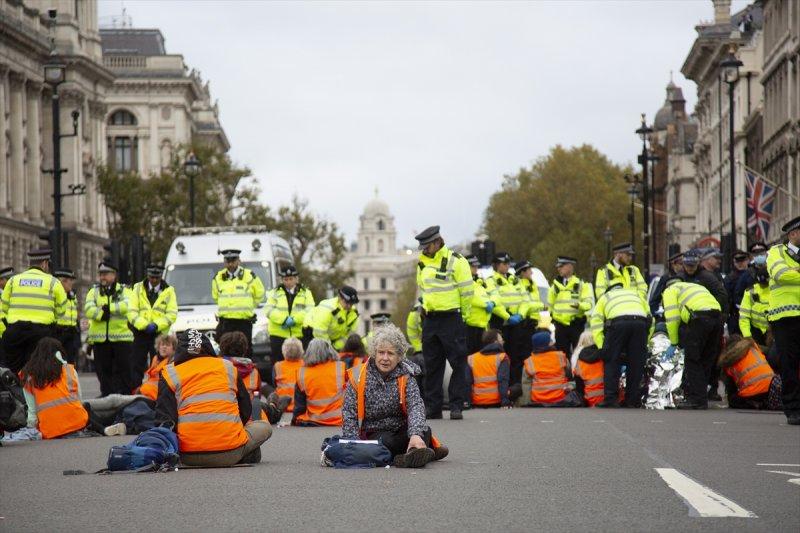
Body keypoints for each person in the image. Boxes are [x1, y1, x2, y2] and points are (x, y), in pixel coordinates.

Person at [156, 329, 272, 466]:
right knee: (264, 427)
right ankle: (246, 451)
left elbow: (164, 419)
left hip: (186, 456)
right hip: (230, 452)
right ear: (208, 347)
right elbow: (245, 410)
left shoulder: (169, 372)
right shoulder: (227, 367)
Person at [342, 324, 448, 468]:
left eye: (390, 354)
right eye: (381, 352)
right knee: (387, 442)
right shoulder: (358, 377)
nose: (385, 358)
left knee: (423, 429)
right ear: (374, 353)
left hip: (400, 429)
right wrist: (352, 443)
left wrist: (415, 433)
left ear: (399, 356)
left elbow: (415, 406)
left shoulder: (406, 376)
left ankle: (413, 450)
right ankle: (419, 451)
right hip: (374, 433)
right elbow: (349, 412)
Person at [414, 225, 472, 420]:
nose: (423, 249)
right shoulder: (422, 263)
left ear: (437, 242)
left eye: (426, 246)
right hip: (430, 320)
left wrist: (464, 317)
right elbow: (423, 290)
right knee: (432, 366)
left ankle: (456, 406)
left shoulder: (457, 261)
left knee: (458, 363)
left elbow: (467, 292)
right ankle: (433, 408)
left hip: (451, 318)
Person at [19, 337, 108, 439]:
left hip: (50, 430)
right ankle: (106, 427)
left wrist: (31, 429)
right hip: (77, 423)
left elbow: (32, 413)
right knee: (90, 408)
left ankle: (106, 427)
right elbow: (79, 400)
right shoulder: (69, 370)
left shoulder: (28, 376)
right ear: (59, 353)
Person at [0, 249, 67, 374]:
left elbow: (4, 307)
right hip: (41, 334)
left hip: (15, 331)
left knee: (12, 371)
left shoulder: (13, 281)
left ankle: (15, 393)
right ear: (44, 264)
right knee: (38, 371)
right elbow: (62, 309)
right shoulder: (53, 282)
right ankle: (32, 393)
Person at [662, 278, 722, 409]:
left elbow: (672, 318)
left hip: (699, 318)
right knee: (706, 359)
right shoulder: (694, 286)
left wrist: (674, 342)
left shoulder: (670, 291)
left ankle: (696, 400)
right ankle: (701, 397)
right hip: (717, 317)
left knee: (693, 359)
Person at [590, 281, 649, 408]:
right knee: (636, 363)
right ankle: (632, 400)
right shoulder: (635, 294)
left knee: (611, 360)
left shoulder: (605, 297)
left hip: (618, 323)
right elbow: (650, 318)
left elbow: (596, 322)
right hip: (640, 323)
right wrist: (646, 340)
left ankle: (611, 399)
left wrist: (602, 347)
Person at [680, 249, 728, 401]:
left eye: (693, 265)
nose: (690, 268)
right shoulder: (680, 278)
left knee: (705, 358)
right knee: (698, 358)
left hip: (708, 320)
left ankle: (702, 392)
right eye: (688, 265)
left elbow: (722, 295)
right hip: (693, 323)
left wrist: (719, 316)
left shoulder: (707, 277)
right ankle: (697, 391)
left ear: (698, 263)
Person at [766, 215, 800, 425]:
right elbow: (780, 274)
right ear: (793, 234)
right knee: (789, 363)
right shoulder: (776, 252)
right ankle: (793, 408)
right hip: (785, 316)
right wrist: (791, 271)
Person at [85, 259, 134, 396]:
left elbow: (127, 305)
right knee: (103, 372)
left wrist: (109, 308)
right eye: (101, 274)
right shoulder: (93, 292)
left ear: (114, 275)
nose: (102, 277)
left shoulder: (125, 290)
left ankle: (124, 398)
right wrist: (101, 315)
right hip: (100, 340)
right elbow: (88, 309)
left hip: (121, 339)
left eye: (106, 274)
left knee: (123, 372)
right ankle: (106, 397)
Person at [219, 331, 287, 423]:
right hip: (249, 413)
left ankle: (273, 402)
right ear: (245, 349)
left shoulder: (217, 368)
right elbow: (256, 397)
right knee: (267, 408)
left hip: (223, 410)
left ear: (222, 348)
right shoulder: (253, 371)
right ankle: (274, 404)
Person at [128, 263, 177, 387]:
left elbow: (172, 314)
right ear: (148, 276)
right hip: (140, 333)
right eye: (152, 277)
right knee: (137, 363)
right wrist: (144, 325)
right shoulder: (138, 288)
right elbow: (132, 312)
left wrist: (156, 325)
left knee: (159, 363)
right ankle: (136, 389)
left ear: (161, 276)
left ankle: (158, 389)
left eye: (157, 278)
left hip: (159, 334)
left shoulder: (169, 291)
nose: (154, 280)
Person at [212, 249, 266, 357]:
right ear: (224, 262)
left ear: (239, 261)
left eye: (233, 260)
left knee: (245, 351)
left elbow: (260, 294)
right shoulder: (218, 277)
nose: (231, 263)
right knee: (225, 350)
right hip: (226, 322)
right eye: (228, 261)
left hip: (243, 322)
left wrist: (249, 306)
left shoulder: (249, 276)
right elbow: (216, 297)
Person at [292, 338, 347, 426]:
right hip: (340, 419)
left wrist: (294, 420)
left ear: (308, 353)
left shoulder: (302, 373)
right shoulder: (341, 367)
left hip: (314, 420)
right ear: (330, 351)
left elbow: (300, 406)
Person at [264, 264, 315, 361]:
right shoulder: (274, 293)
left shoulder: (306, 293)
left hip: (298, 335)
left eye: (291, 279)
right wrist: (284, 320)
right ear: (281, 280)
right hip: (278, 336)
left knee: (299, 363)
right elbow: (268, 310)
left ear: (296, 279)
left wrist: (294, 320)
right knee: (278, 364)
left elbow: (310, 310)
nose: (288, 282)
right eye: (285, 279)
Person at [718, 337, 782, 410]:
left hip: (752, 393)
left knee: (733, 400)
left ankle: (754, 403)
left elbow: (731, 388)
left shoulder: (729, 359)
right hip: (771, 388)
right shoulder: (754, 348)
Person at [520, 331, 580, 407]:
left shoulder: (529, 361)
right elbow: (568, 374)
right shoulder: (561, 357)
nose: (553, 342)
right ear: (547, 344)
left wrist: (527, 403)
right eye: (551, 340)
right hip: (561, 398)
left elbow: (526, 384)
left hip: (539, 400)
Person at [548, 256, 593, 357]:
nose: (558, 269)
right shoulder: (554, 286)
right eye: (558, 266)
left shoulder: (581, 284)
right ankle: (564, 373)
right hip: (560, 327)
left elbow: (589, 304)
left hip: (576, 325)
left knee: (579, 354)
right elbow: (549, 307)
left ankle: (577, 373)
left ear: (570, 266)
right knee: (561, 355)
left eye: (561, 266)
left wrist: (579, 306)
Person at [464, 254, 508, 355]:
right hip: (469, 326)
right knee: (469, 358)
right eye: (473, 266)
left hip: (482, 326)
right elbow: (469, 297)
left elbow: (495, 294)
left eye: (476, 266)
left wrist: (492, 302)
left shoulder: (480, 282)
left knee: (481, 356)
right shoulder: (463, 281)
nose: (476, 268)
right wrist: (485, 304)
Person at [466, 329, 512, 408]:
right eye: (501, 340)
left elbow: (467, 382)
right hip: (495, 401)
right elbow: (503, 380)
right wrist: (505, 401)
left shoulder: (471, 358)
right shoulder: (502, 357)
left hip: (477, 401)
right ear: (495, 342)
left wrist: (467, 402)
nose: (503, 342)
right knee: (517, 388)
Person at [306, 286, 360, 350]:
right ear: (340, 298)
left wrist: (336, 347)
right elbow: (319, 332)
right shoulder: (327, 309)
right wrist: (330, 349)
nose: (349, 306)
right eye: (347, 303)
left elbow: (349, 335)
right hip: (310, 334)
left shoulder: (353, 313)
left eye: (351, 304)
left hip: (332, 339)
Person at [738, 256, 770, 347]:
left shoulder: (776, 290)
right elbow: (744, 315)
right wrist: (747, 335)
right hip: (756, 332)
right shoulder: (751, 292)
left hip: (775, 331)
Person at [571, 331, 608, 407]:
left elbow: (579, 385)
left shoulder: (579, 359)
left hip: (590, 399)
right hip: (608, 398)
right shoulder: (604, 357)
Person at [53, 268, 80, 365]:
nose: (71, 283)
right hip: (58, 332)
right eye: (70, 281)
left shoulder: (72, 295)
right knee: (58, 362)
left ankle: (70, 380)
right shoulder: (54, 294)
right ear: (62, 282)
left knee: (70, 363)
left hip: (71, 333)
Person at [138, 334, 176, 401]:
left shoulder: (173, 362)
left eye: (167, 345)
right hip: (147, 393)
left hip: (158, 397)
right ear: (158, 347)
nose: (164, 347)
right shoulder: (155, 359)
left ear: (173, 349)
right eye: (162, 345)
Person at [273, 337, 304, 412]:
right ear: (301, 351)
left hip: (283, 405)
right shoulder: (305, 365)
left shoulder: (277, 366)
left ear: (284, 351)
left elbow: (274, 384)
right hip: (300, 406)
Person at [734, 242, 769, 310]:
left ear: (766, 253)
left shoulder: (774, 270)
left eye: (761, 252)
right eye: (756, 253)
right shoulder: (747, 274)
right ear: (752, 255)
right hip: (756, 313)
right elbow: (738, 297)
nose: (759, 255)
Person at [649, 251, 684, 318]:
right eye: (681, 264)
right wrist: (656, 316)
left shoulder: (686, 276)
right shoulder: (666, 278)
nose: (683, 266)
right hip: (670, 314)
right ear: (673, 264)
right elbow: (655, 300)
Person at [725, 250, 751, 335]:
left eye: (742, 260)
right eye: (737, 261)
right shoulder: (729, 278)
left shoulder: (753, 274)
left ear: (747, 260)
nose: (740, 264)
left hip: (753, 314)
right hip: (735, 315)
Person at [0, 266, 12, 365]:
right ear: (1, 281)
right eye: (8, 279)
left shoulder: (12, 294)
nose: (10, 282)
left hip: (10, 334)